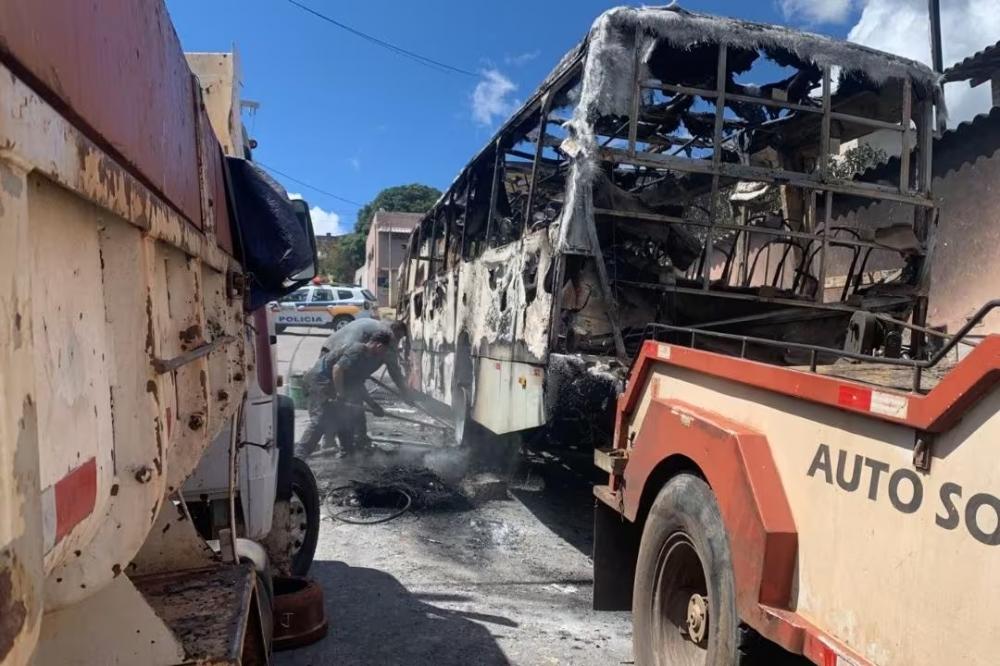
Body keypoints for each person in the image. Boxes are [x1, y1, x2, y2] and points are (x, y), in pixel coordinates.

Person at [296, 330, 393, 457]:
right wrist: (340, 394)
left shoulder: (367, 359)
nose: (384, 354)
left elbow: (357, 385)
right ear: (379, 346)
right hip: (320, 380)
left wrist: (373, 405)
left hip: (334, 382)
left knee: (345, 417)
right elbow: (337, 369)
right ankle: (299, 454)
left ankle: (347, 452)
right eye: (385, 350)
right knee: (321, 419)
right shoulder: (357, 350)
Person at [320, 318, 413, 402]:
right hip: (339, 357)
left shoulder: (375, 324)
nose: (397, 341)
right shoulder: (387, 336)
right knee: (334, 393)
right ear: (395, 331)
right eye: (399, 337)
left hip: (328, 347)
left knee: (324, 383)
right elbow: (394, 371)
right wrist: (405, 392)